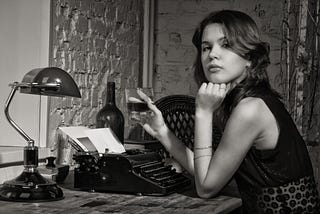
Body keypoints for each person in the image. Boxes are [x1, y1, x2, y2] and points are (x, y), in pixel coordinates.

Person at [137, 10, 320, 213]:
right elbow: (206, 175)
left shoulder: (251, 109)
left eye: (226, 45)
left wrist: (203, 113)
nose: (212, 54)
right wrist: (162, 131)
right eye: (206, 47)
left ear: (249, 57)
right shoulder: (242, 102)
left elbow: (205, 189)